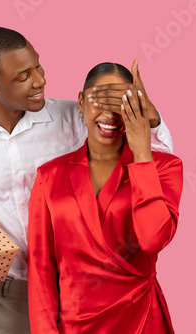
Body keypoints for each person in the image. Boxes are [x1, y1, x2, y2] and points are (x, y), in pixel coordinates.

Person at [0, 27, 174, 334]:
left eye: (38, 66)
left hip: (82, 294)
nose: (40, 81)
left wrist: (151, 120)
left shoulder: (73, 116)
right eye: (23, 76)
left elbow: (151, 165)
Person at [27, 62, 183, 333]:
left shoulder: (164, 166)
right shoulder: (49, 175)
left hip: (140, 318)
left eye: (120, 102)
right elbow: (41, 270)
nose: (109, 114)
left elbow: (153, 239)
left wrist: (142, 154)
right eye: (99, 99)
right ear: (80, 102)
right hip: (75, 324)